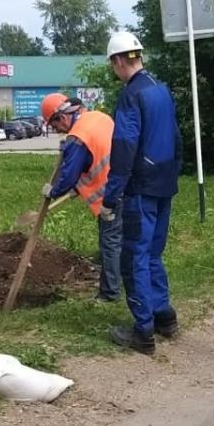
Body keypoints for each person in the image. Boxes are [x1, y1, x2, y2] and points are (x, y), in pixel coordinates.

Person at [100, 31, 183, 354]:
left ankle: (143, 332)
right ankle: (165, 317)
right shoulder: (160, 89)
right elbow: (176, 138)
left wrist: (111, 195)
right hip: (164, 183)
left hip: (140, 188)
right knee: (152, 254)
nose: (114, 70)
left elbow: (124, 147)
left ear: (120, 60)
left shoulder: (132, 95)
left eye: (113, 64)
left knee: (134, 256)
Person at [40, 92, 122, 302]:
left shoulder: (78, 136)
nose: (56, 130)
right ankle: (128, 280)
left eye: (53, 125)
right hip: (128, 185)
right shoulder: (100, 118)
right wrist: (80, 188)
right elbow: (98, 157)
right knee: (124, 240)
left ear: (62, 117)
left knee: (110, 243)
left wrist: (53, 190)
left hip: (111, 197)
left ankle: (109, 293)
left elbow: (68, 175)